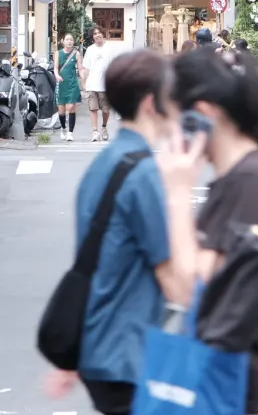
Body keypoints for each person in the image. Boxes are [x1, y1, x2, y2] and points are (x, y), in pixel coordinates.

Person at [157, 50, 258, 415]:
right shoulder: (251, 174)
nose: (168, 136)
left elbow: (193, 285)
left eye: (173, 122)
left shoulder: (244, 183)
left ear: (201, 115)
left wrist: (177, 194)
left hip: (243, 393)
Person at [45, 51, 196, 414]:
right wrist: (180, 192)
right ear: (150, 103)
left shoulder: (105, 164)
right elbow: (177, 280)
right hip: (129, 353)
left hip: (102, 346)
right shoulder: (144, 174)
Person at [83, 26, 113, 141]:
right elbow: (86, 68)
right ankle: (95, 131)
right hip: (92, 85)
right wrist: (84, 83)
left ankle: (104, 127)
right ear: (93, 37)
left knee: (106, 110)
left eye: (99, 32)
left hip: (105, 86)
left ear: (103, 34)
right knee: (93, 109)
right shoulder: (90, 50)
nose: (97, 35)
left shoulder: (109, 49)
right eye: (95, 34)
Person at [56, 33, 84, 142]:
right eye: (67, 39)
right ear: (63, 41)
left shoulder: (76, 54)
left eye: (71, 40)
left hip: (72, 84)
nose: (69, 41)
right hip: (61, 83)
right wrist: (57, 75)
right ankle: (63, 128)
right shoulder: (58, 53)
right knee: (61, 112)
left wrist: (84, 80)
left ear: (73, 42)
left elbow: (80, 68)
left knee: (71, 107)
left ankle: (70, 133)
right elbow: (55, 68)